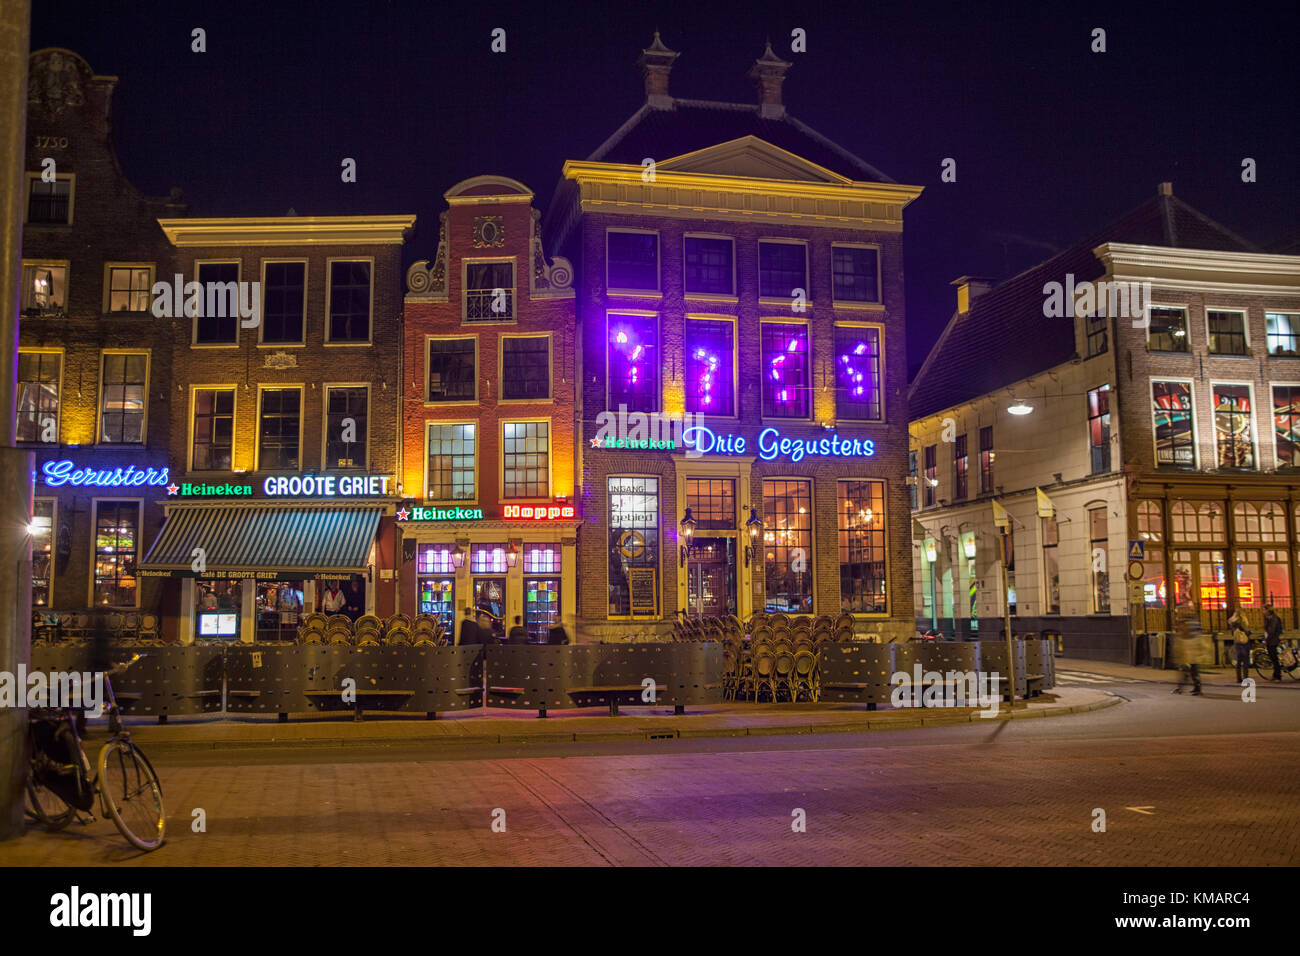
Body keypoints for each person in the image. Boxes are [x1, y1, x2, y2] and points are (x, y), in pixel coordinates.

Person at [1173, 604, 1208, 695]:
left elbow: (1199, 645)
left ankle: (1195, 688)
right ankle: (1192, 688)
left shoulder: (1191, 635)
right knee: (1189, 672)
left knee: (1190, 672)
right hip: (1189, 656)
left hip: (1192, 656)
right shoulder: (1186, 634)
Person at [1227, 605, 1251, 683]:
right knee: (1245, 661)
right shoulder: (1242, 620)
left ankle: (1238, 678)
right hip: (1244, 642)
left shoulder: (1232, 622)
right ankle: (1246, 677)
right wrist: (1249, 633)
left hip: (1237, 642)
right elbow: (1246, 630)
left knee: (1238, 660)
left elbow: (1232, 632)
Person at [1263, 604, 1285, 681]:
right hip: (1272, 640)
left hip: (1273, 641)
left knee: (1274, 658)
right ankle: (1275, 674)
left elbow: (1271, 631)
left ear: (1268, 611)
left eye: (1264, 610)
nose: (1263, 612)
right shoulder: (1269, 618)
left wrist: (1266, 639)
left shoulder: (1273, 619)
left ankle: (1278, 675)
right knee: (1273, 658)